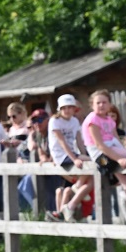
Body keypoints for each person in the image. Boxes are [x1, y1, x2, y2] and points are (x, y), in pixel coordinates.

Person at [82, 89, 126, 224]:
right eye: (98, 103)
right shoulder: (93, 120)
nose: (101, 105)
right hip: (103, 154)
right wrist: (119, 158)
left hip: (113, 149)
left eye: (104, 102)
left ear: (109, 104)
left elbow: (116, 139)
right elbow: (99, 145)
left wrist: (123, 153)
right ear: (92, 105)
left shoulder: (109, 120)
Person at [47, 94, 92, 222]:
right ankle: (78, 186)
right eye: (64, 108)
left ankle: (77, 188)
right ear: (59, 109)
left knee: (91, 165)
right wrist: (75, 159)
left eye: (69, 107)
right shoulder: (54, 121)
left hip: (72, 153)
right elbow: (62, 142)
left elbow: (79, 141)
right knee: (91, 163)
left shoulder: (74, 121)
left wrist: (83, 154)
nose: (67, 110)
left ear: (74, 109)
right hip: (60, 155)